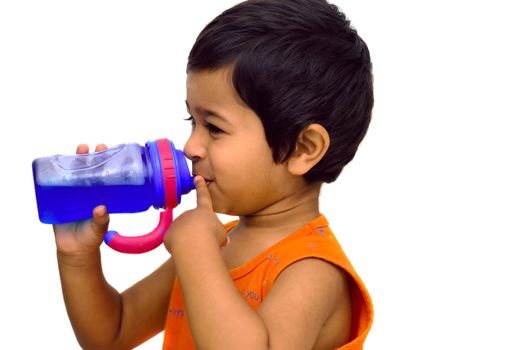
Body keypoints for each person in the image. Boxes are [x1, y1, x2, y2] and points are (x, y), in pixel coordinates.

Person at [53, 0, 374, 349]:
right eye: (193, 121)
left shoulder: (312, 271)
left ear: (303, 149)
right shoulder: (216, 243)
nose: (191, 146)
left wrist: (196, 251)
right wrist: (78, 257)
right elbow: (111, 333)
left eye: (215, 128)